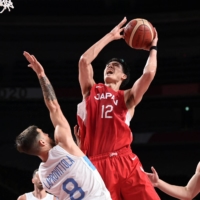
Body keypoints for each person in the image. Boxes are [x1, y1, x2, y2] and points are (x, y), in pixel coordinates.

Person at [77, 17, 160, 200]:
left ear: (123, 77)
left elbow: (149, 73)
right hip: (95, 165)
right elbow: (84, 61)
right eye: (108, 65)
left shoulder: (127, 97)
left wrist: (153, 47)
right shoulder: (91, 91)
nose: (110, 66)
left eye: (116, 66)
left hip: (125, 161)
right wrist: (110, 36)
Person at [15, 52, 112, 200]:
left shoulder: (44, 177)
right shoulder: (64, 144)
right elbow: (53, 106)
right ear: (42, 142)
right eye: (44, 134)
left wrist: (78, 149)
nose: (47, 134)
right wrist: (41, 74)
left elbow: (73, 172)